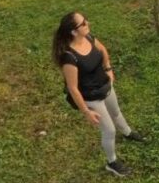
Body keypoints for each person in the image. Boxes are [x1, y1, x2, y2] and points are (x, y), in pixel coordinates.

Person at [52, 12, 145, 177]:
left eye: (85, 19)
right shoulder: (69, 57)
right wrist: (86, 112)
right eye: (83, 23)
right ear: (73, 31)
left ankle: (128, 132)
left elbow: (102, 50)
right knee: (109, 131)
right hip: (91, 97)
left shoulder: (88, 37)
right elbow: (73, 89)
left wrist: (108, 67)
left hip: (105, 86)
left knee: (116, 112)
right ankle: (112, 163)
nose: (88, 23)